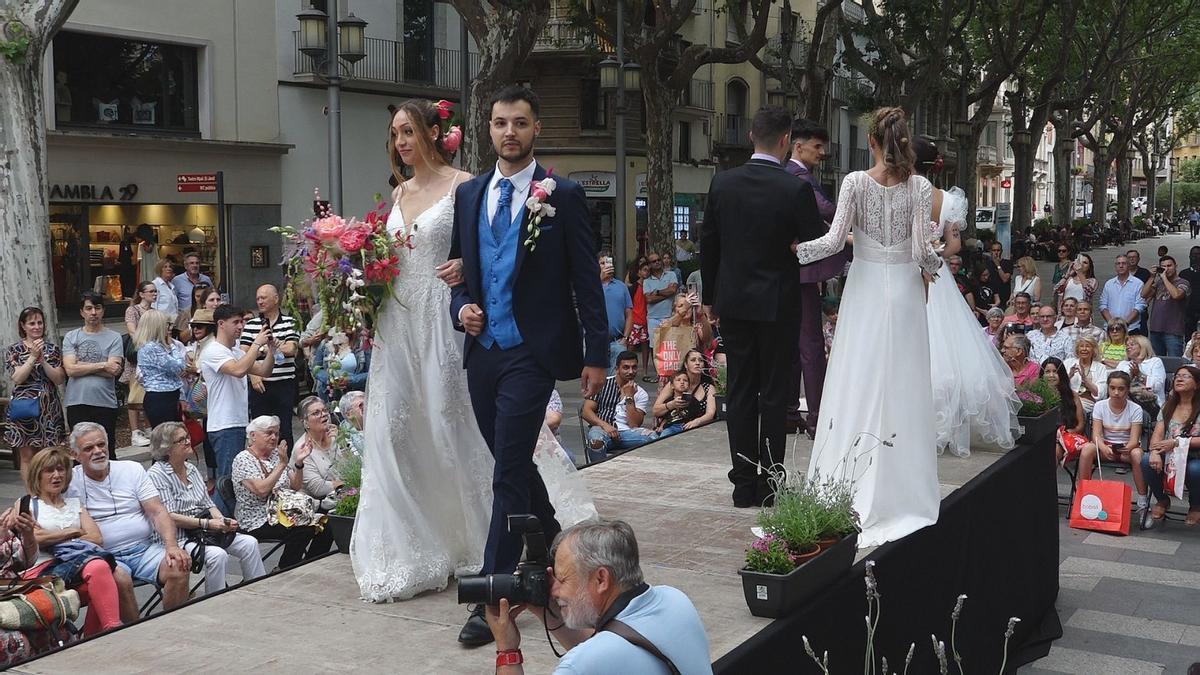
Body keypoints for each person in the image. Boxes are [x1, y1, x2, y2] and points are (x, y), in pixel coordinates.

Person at [355, 92, 600, 645]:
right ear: (487, 130)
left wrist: (596, 355)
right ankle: (555, 537)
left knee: (506, 469)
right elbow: (462, 272)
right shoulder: (471, 194)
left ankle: (494, 595)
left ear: (536, 128)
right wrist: (460, 302)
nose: (509, 132)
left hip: (533, 354)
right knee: (505, 459)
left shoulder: (562, 194)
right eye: (499, 123)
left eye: (519, 123)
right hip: (479, 350)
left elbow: (586, 278)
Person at [791, 107, 940, 547]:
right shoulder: (920, 186)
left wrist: (793, 251)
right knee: (903, 383)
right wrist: (939, 264)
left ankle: (848, 476)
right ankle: (902, 485)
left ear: (871, 141)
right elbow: (922, 251)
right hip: (906, 293)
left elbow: (834, 242)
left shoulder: (855, 182)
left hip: (867, 286)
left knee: (857, 376)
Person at [701, 106, 822, 508]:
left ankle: (742, 484)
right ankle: (770, 482)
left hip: (733, 300)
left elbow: (710, 246)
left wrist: (709, 300)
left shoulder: (723, 183)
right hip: (777, 301)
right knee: (773, 392)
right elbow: (811, 242)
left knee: (739, 390)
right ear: (787, 140)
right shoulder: (794, 189)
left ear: (752, 135)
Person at [483, 519, 711, 675]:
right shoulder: (676, 600)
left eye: (562, 580)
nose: (554, 591)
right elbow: (612, 647)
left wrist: (507, 651)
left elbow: (599, 655)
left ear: (601, 580)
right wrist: (553, 615)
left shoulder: (580, 666)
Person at [913, 136, 1021, 457]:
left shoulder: (901, 193)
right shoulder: (946, 199)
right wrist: (935, 253)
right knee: (945, 346)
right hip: (939, 274)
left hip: (910, 271)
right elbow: (956, 245)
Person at [64, 422, 191, 610]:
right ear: (75, 455)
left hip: (143, 549)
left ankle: (171, 625)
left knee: (179, 566)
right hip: (104, 555)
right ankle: (134, 633)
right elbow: (41, 500)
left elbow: (157, 511)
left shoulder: (131, 469)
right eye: (89, 448)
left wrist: (171, 545)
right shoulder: (69, 482)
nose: (98, 451)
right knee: (119, 580)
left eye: (101, 445)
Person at [145, 422, 266, 594]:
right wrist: (208, 524)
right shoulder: (157, 475)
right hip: (179, 538)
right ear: (167, 449)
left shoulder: (191, 468)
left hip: (204, 533)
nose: (188, 441)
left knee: (249, 543)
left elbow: (207, 504)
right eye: (181, 440)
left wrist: (221, 520)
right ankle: (215, 602)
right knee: (217, 555)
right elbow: (170, 516)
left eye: (187, 437)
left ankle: (258, 590)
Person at [22, 447, 131, 636]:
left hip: (77, 570)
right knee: (99, 566)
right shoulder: (29, 505)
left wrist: (52, 536)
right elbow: (33, 538)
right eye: (49, 471)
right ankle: (112, 629)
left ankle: (91, 637)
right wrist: (72, 532)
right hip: (45, 573)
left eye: (61, 469)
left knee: (102, 575)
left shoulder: (74, 505)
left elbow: (97, 538)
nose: (56, 476)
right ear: (37, 475)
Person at [785, 118, 847, 435]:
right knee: (810, 345)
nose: (822, 153)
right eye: (818, 147)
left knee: (793, 346)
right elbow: (828, 211)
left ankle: (791, 413)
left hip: (786, 274)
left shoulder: (788, 175)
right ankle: (816, 417)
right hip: (803, 273)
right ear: (799, 145)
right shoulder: (800, 177)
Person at [200, 304, 276, 513]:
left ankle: (227, 524)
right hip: (224, 424)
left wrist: (271, 350)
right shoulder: (213, 351)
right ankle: (218, 526)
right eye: (236, 322)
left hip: (238, 422)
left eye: (242, 321)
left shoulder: (234, 350)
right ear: (221, 324)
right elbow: (239, 370)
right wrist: (255, 344)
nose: (241, 326)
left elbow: (263, 371)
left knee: (233, 479)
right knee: (226, 481)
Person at [231, 416, 332, 569]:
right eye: (269, 433)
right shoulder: (243, 459)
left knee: (328, 523)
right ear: (253, 435)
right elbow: (262, 490)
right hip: (257, 518)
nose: (274, 438)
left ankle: (310, 563)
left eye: (277, 434)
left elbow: (296, 486)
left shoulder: (274, 456)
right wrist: (282, 464)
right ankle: (286, 569)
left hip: (283, 511)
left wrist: (299, 463)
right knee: (303, 528)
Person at [4, 307, 67, 482]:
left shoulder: (52, 349)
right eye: (32, 323)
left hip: (48, 407)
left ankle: (48, 492)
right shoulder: (14, 350)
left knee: (48, 454)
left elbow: (59, 379)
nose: (36, 327)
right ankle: (32, 495)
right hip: (24, 407)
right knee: (27, 455)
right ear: (23, 326)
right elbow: (18, 377)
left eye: (39, 323)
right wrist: (32, 357)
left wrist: (43, 361)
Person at [239, 285, 301, 451]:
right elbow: (243, 354)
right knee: (259, 428)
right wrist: (254, 374)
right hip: (260, 384)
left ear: (276, 298)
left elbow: (291, 349)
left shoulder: (290, 323)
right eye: (258, 298)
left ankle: (285, 465)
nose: (260, 301)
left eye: (264, 297)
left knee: (285, 428)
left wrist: (259, 349)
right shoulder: (251, 325)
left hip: (284, 383)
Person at [62, 292, 124, 457]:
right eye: (88, 308)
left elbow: (114, 371)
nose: (93, 313)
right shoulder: (71, 336)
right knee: (80, 451)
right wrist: (103, 364)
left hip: (105, 402)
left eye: (97, 308)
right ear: (82, 312)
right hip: (77, 402)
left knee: (107, 450)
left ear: (103, 310)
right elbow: (70, 370)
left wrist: (81, 365)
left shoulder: (115, 337)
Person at [1140, 365, 1200, 529]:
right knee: (1145, 460)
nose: (1179, 379)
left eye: (1186, 376)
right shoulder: (1168, 406)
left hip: (1194, 455)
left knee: (1195, 468)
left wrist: (1176, 442)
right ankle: (1162, 499)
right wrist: (1153, 452)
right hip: (1168, 454)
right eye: (1177, 376)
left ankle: (1195, 505)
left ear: (1197, 384)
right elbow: (1158, 435)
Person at [1078, 372, 1147, 512]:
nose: (1116, 392)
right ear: (1108, 388)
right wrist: (1103, 448)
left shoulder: (1135, 409)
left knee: (1138, 454)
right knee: (1087, 449)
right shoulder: (1100, 406)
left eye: (1121, 389)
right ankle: (1084, 494)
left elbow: (1134, 440)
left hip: (1127, 448)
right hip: (1106, 447)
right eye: (1112, 388)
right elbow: (1096, 435)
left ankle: (1143, 500)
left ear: (1127, 390)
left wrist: (1124, 448)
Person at [582, 352, 655, 461]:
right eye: (626, 367)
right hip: (602, 429)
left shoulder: (641, 393)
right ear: (617, 369)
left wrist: (630, 397)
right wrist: (605, 426)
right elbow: (586, 412)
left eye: (634, 367)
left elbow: (634, 424)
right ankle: (599, 472)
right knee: (595, 441)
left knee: (654, 438)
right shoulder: (603, 384)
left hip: (627, 434)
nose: (630, 371)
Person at [133, 310, 187, 428]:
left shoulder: (154, 346)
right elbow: (179, 367)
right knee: (166, 437)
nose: (168, 328)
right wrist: (172, 345)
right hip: (161, 398)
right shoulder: (152, 347)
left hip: (168, 396)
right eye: (166, 324)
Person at [293, 396, 344, 511]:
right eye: (316, 413)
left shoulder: (335, 436)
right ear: (305, 422)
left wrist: (342, 440)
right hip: (319, 506)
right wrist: (347, 483)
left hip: (345, 494)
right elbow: (318, 488)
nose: (324, 414)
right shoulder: (302, 449)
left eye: (325, 410)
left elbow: (353, 464)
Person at [652, 350, 717, 438]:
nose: (697, 363)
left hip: (697, 429)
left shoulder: (709, 388)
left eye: (701, 360)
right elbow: (655, 410)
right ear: (686, 365)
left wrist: (696, 422)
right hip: (672, 427)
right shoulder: (675, 383)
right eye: (693, 360)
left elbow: (710, 413)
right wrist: (671, 404)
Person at [123, 281, 156, 446]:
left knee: (149, 394)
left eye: (155, 291)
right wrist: (147, 343)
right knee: (134, 395)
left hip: (151, 359)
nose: (154, 294)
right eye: (150, 291)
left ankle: (149, 427)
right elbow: (132, 330)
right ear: (142, 294)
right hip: (136, 358)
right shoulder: (133, 310)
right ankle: (135, 431)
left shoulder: (155, 312)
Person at [1142, 255, 1191, 357]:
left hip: (1173, 331)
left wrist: (1164, 278)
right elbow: (1144, 294)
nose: (1166, 269)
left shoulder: (1183, 282)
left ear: (1176, 266)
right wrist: (1151, 277)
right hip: (1155, 329)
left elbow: (1176, 295)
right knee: (1158, 362)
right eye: (1163, 267)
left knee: (1174, 363)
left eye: (1169, 266)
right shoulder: (1159, 283)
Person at [1042, 358, 1087, 465]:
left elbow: (1080, 425)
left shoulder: (1072, 396)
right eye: (1047, 372)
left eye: (1055, 371)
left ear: (1061, 374)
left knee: (1053, 452)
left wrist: (1061, 436)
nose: (1051, 375)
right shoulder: (1037, 397)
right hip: (1043, 439)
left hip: (1064, 438)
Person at [642, 252, 679, 376]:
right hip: (653, 318)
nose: (657, 262)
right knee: (655, 347)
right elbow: (649, 300)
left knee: (669, 346)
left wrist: (656, 292)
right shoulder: (647, 281)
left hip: (670, 316)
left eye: (658, 259)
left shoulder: (671, 274)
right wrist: (666, 293)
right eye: (654, 261)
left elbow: (673, 290)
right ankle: (659, 373)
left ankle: (670, 372)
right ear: (650, 265)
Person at [1116, 335, 1167, 418]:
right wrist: (1131, 376)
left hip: (1151, 404)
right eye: (1127, 345)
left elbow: (1158, 386)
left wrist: (1139, 375)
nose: (1128, 347)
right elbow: (1116, 383)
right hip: (1125, 399)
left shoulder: (1155, 362)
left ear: (1143, 346)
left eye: (1132, 345)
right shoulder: (1123, 364)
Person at [599, 253, 633, 373]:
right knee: (596, 381)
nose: (606, 266)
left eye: (608, 262)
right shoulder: (592, 286)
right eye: (602, 263)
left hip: (617, 342)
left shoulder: (621, 287)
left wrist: (625, 338)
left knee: (617, 380)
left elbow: (629, 314)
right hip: (597, 342)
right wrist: (599, 280)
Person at [1099, 255, 1146, 334]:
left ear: (1129, 265)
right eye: (1118, 263)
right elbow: (1103, 305)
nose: (1121, 266)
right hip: (1110, 328)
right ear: (1115, 266)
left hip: (1131, 329)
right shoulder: (1109, 284)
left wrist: (1125, 323)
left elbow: (1139, 306)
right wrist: (1112, 323)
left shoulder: (1138, 283)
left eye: (1124, 263)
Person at [627, 260, 652, 379]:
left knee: (645, 346)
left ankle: (645, 371)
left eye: (648, 270)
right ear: (639, 272)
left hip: (646, 320)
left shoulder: (650, 285)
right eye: (644, 270)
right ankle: (628, 368)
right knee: (631, 346)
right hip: (635, 321)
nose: (646, 273)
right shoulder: (634, 287)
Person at [173, 252, 213, 319]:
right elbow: (173, 301)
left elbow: (212, 296)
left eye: (197, 263)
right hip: (184, 318)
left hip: (204, 316)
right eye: (192, 263)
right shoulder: (177, 280)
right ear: (186, 266)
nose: (195, 265)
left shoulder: (206, 280)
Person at [984, 240, 1014, 307]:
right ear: (990, 251)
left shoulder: (1007, 263)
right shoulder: (987, 264)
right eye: (994, 250)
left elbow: (1005, 279)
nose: (996, 252)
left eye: (998, 250)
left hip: (1004, 296)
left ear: (1001, 251)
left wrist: (998, 265)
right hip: (991, 296)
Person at [150, 259, 179, 326]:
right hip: (160, 323)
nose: (169, 269)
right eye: (165, 267)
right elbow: (153, 306)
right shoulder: (155, 284)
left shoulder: (171, 286)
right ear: (160, 269)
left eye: (170, 267)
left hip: (172, 323)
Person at [1178, 246, 1200, 335]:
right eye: (1194, 254)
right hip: (1189, 313)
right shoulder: (1183, 274)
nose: (1196, 257)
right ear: (1190, 256)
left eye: (1199, 254)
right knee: (1189, 339)